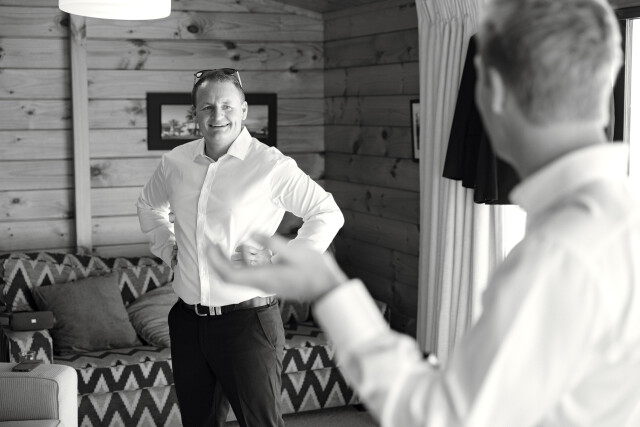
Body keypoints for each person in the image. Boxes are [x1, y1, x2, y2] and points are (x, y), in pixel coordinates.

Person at [206, 0, 640, 425]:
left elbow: (441, 417)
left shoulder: (559, 255)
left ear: (494, 92)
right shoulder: (619, 222)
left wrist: (329, 288)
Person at [136, 68, 344, 427]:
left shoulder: (271, 165)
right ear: (195, 114)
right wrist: (167, 247)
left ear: (244, 110)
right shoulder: (175, 163)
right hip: (187, 322)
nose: (217, 115)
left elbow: (327, 212)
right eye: (207, 107)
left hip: (248, 324)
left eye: (227, 106)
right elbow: (148, 205)